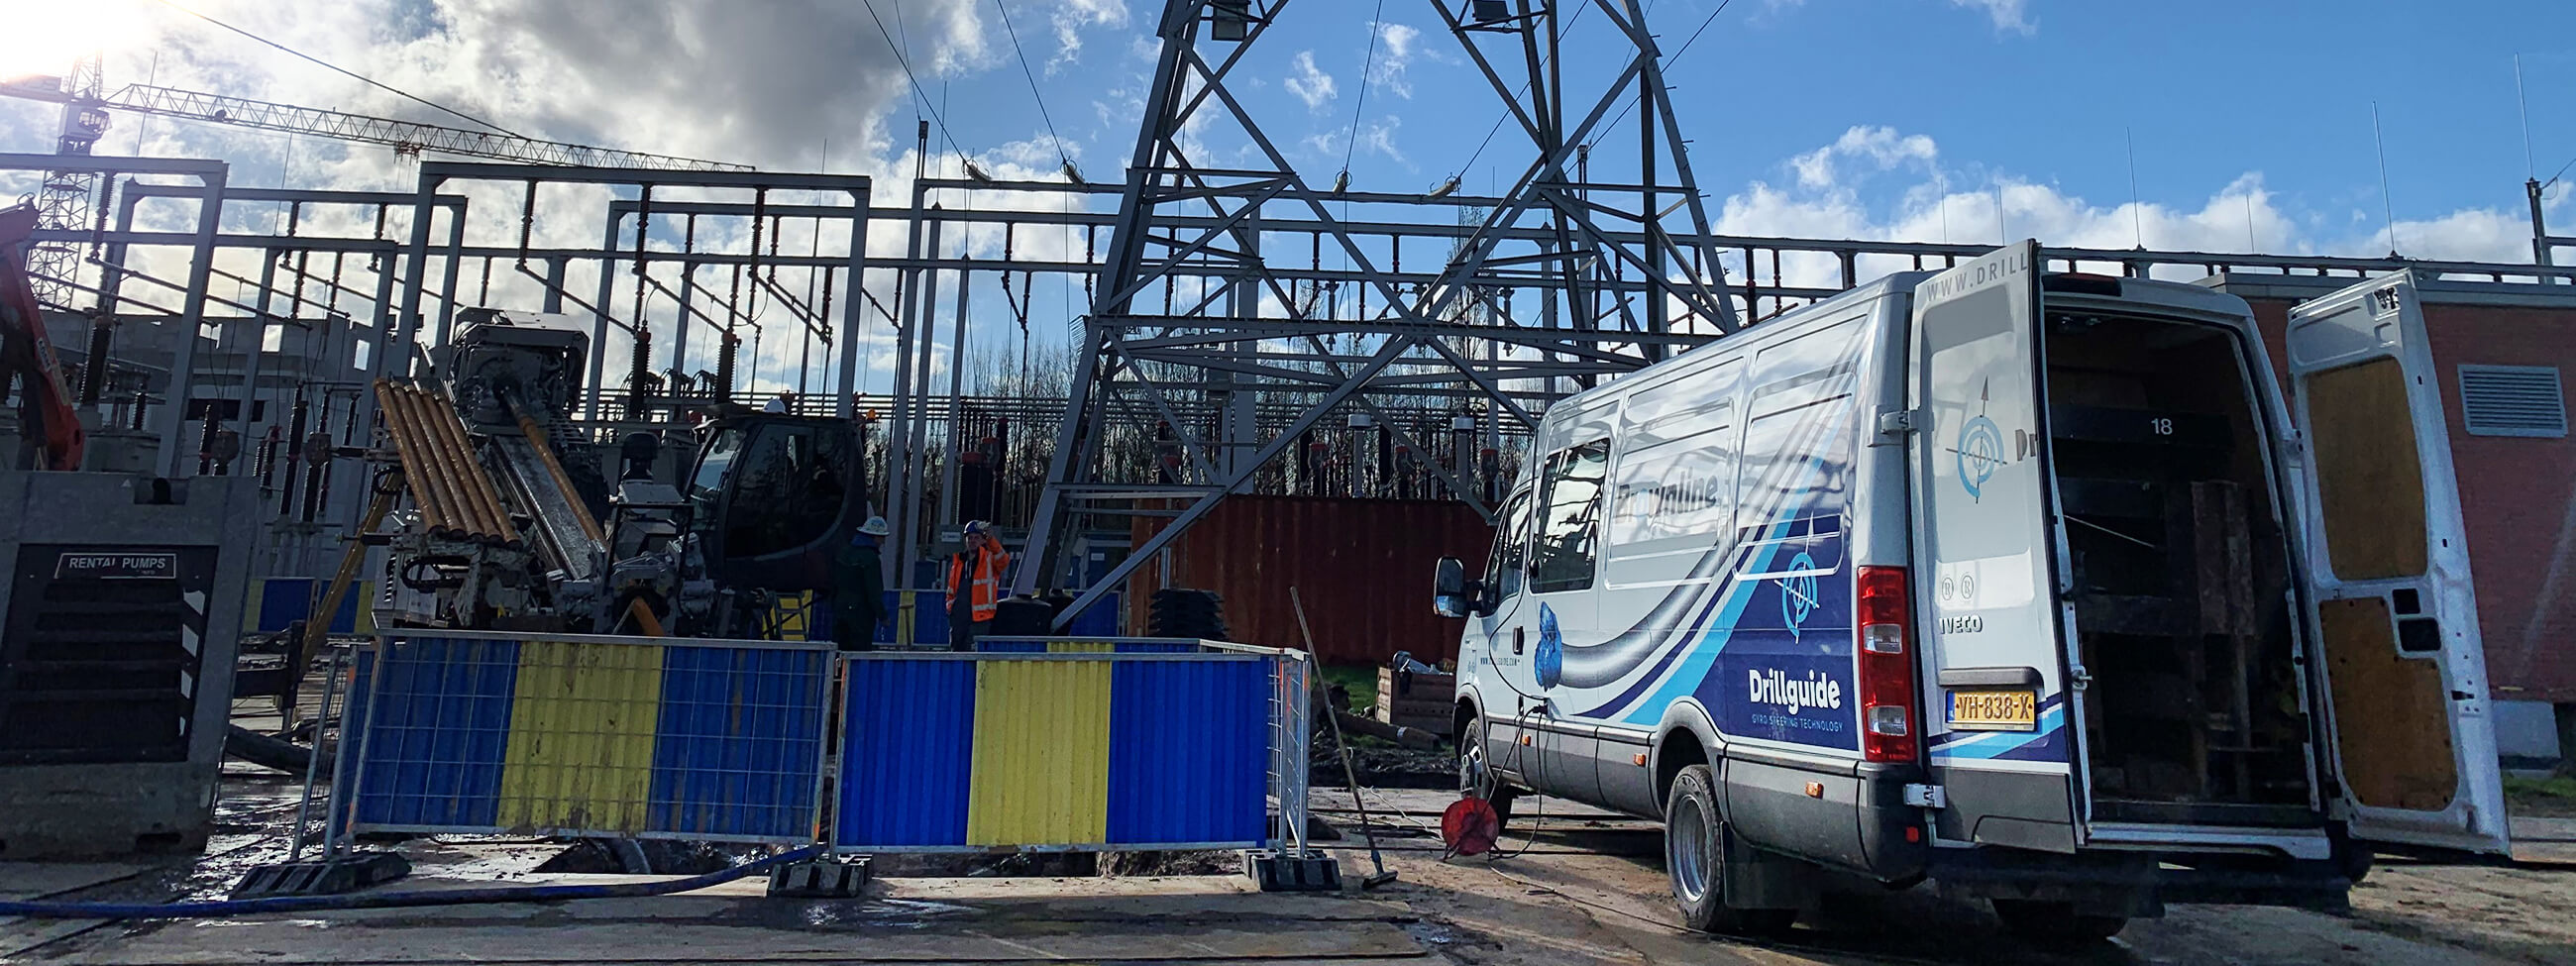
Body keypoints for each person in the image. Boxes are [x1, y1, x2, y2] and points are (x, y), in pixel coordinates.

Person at [944, 520, 1010, 651]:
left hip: (980, 619)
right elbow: (951, 590)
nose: (972, 541)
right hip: (959, 619)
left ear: (982, 540)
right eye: (970, 538)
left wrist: (991, 539)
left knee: (974, 654)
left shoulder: (989, 559)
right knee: (956, 652)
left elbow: (1003, 560)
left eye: (976, 537)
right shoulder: (959, 562)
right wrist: (950, 607)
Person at [831, 516, 891, 651]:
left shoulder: (844, 553)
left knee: (839, 652)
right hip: (861, 616)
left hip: (840, 612)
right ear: (874, 537)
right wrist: (883, 616)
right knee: (859, 654)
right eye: (882, 537)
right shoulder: (871, 559)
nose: (883, 542)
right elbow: (874, 592)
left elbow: (834, 583)